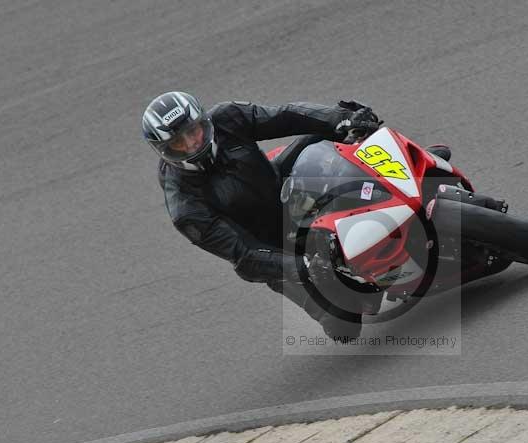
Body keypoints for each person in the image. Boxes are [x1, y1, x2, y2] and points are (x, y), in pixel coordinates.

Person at [142, 91, 386, 340]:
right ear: (164, 150)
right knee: (344, 326)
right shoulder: (185, 207)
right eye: (179, 143)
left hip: (280, 187)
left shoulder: (228, 118)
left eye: (193, 131)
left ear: (203, 121)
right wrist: (301, 266)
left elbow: (288, 116)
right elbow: (244, 254)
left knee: (346, 128)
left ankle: (410, 173)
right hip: (271, 248)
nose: (192, 143)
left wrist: (341, 117)